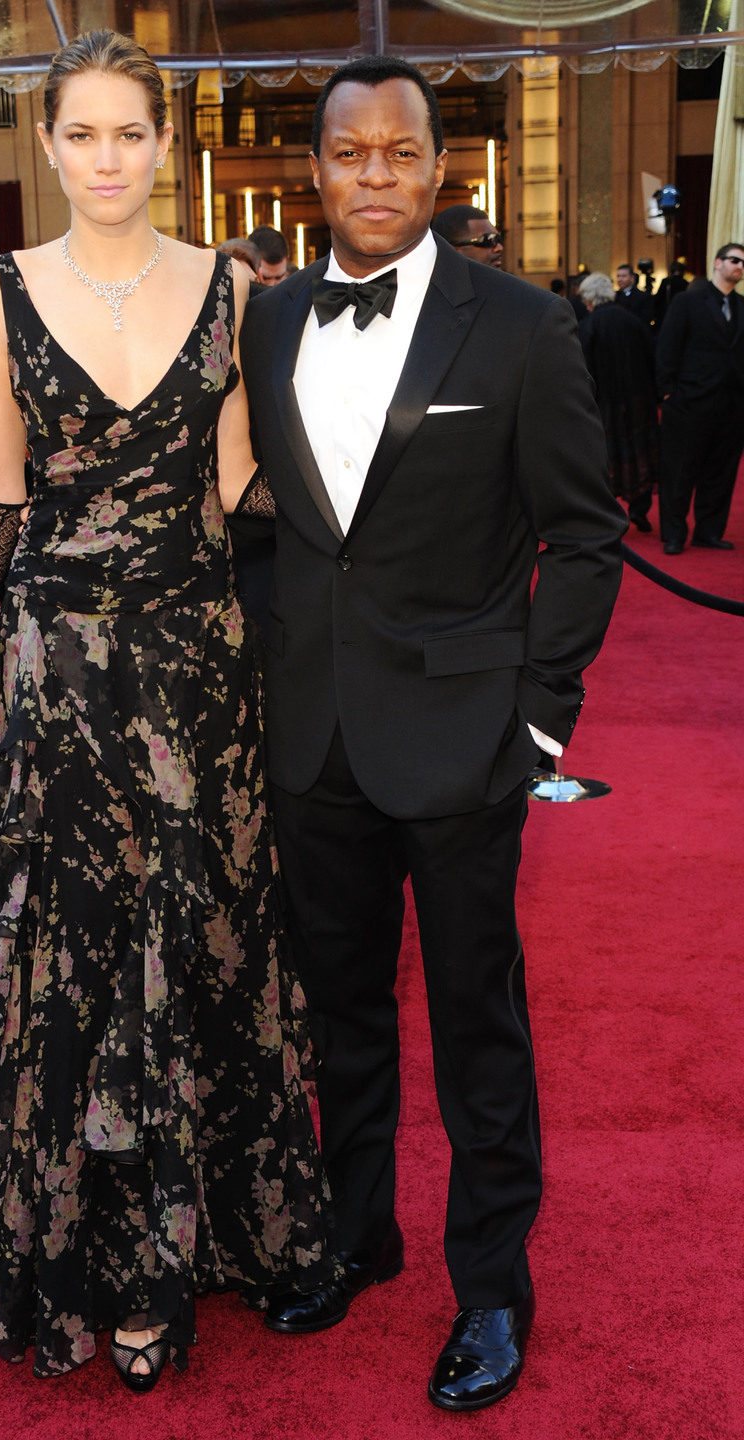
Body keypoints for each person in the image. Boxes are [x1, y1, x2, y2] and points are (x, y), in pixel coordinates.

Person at [0, 27, 335, 1393]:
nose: (107, 158)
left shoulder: (230, 285)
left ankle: (175, 1265)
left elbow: (229, 480)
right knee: (80, 967)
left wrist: (400, 499)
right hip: (59, 677)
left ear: (168, 145)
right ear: (47, 143)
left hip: (195, 669)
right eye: (82, 133)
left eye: (131, 133)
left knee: (201, 946)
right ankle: (90, 1261)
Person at [233, 55, 625, 1412]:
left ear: (439, 169)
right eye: (352, 153)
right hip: (315, 737)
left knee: (477, 1022)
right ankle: (357, 1237)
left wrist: (539, 719)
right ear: (318, 170)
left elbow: (585, 532)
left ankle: (494, 1289)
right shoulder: (271, 321)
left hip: (466, 737)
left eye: (403, 154)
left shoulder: (519, 327)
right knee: (337, 1013)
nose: (378, 177)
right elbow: (272, 528)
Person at [655, 242, 744, 554]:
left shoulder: (743, 306)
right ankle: (674, 533)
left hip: (732, 407)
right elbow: (667, 348)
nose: (739, 267)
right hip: (689, 402)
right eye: (734, 260)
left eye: (743, 263)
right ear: (717, 262)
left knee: (720, 474)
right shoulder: (687, 302)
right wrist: (668, 392)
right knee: (679, 471)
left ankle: (708, 531)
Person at [578, 271, 659, 532]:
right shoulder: (633, 321)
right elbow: (651, 358)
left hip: (605, 405)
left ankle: (607, 515)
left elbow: (583, 371)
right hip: (639, 401)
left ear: (589, 298)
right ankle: (640, 510)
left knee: (605, 461)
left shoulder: (587, 327)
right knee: (641, 455)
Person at [430, 204, 503, 268]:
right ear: (453, 251)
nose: (499, 248)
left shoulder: (506, 282)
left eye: (498, 238)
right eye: (488, 240)